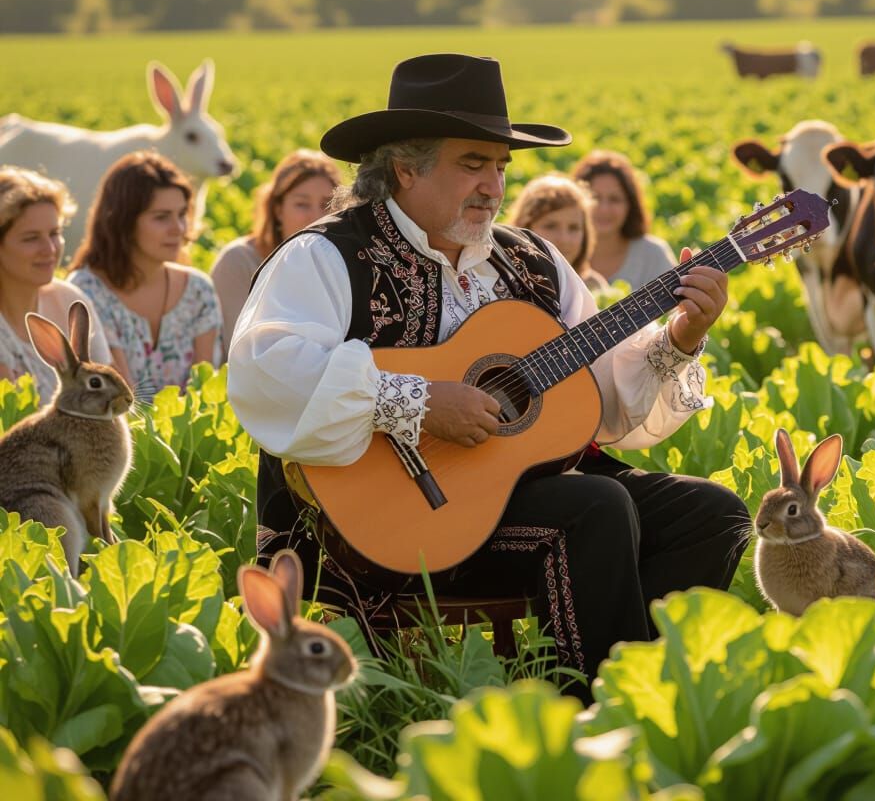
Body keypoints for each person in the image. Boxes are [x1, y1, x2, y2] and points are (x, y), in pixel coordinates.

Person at [227, 53, 750, 703]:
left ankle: (636, 691)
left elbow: (609, 404)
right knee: (597, 506)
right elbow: (266, 371)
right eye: (473, 164)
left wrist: (681, 337)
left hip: (518, 491)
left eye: (501, 166)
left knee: (713, 514)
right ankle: (590, 722)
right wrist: (418, 401)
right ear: (404, 166)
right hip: (392, 517)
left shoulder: (534, 261)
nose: (494, 187)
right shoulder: (327, 255)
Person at [68, 151, 223, 400]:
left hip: (191, 439)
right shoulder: (86, 290)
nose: (178, 229)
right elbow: (121, 400)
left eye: (182, 214)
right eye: (161, 217)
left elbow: (204, 393)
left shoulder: (198, 289)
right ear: (123, 221)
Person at [211, 149, 342, 355]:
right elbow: (240, 352)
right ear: (278, 209)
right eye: (302, 204)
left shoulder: (341, 267)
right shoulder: (238, 261)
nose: (316, 217)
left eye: (326, 205)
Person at [0, 166, 113, 398]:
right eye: (31, 238)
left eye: (54, 233)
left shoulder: (70, 300)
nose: (50, 250)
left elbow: (110, 395)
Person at [572, 149, 676, 288]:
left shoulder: (653, 254)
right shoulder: (562, 252)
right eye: (595, 198)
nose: (604, 209)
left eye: (615, 199)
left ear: (630, 205)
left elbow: (676, 309)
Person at [505, 172, 608, 292]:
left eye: (573, 228)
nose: (564, 239)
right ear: (524, 228)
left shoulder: (592, 286)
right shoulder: (503, 283)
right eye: (550, 226)